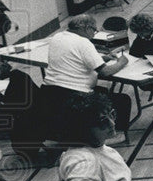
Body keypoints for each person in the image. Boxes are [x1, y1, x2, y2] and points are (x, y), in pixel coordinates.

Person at [40, 15, 132, 148]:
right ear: (86, 28)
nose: (94, 34)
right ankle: (116, 135)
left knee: (102, 91)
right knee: (123, 100)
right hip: (75, 95)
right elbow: (105, 72)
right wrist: (122, 62)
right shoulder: (84, 42)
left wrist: (102, 59)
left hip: (50, 92)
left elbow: (77, 60)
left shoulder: (57, 37)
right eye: (94, 30)